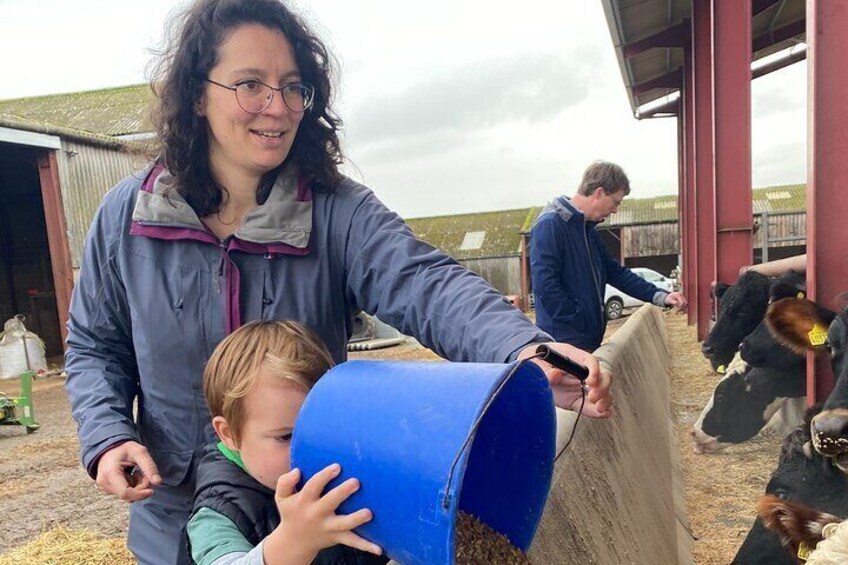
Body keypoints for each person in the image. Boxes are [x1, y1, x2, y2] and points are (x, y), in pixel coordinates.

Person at [64, 1, 613, 563]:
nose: (276, 108)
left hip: (321, 512)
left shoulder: (335, 211)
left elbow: (423, 280)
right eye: (250, 84)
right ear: (198, 95)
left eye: (292, 87)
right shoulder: (127, 217)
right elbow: (94, 346)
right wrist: (108, 434)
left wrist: (519, 347)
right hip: (181, 520)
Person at [189, 319, 386, 565]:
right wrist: (294, 542)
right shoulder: (218, 512)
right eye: (285, 437)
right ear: (228, 434)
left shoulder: (344, 470)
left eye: (320, 431)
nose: (305, 450)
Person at [530, 160, 687, 351]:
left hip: (585, 341)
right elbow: (545, 286)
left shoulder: (588, 231)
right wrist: (577, 319)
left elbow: (615, 273)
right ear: (599, 193)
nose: (615, 210)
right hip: (564, 344)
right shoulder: (551, 225)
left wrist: (660, 296)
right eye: (615, 202)